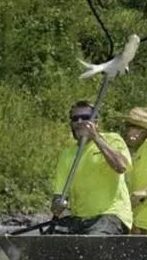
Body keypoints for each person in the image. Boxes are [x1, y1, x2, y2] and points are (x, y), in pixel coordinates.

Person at [50, 100, 132, 235]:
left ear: (96, 123)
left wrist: (96, 138)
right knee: (51, 243)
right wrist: (57, 205)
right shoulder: (66, 154)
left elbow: (121, 166)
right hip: (79, 218)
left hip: (110, 215)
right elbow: (58, 195)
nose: (80, 122)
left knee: (91, 243)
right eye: (75, 118)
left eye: (86, 118)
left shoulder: (112, 139)